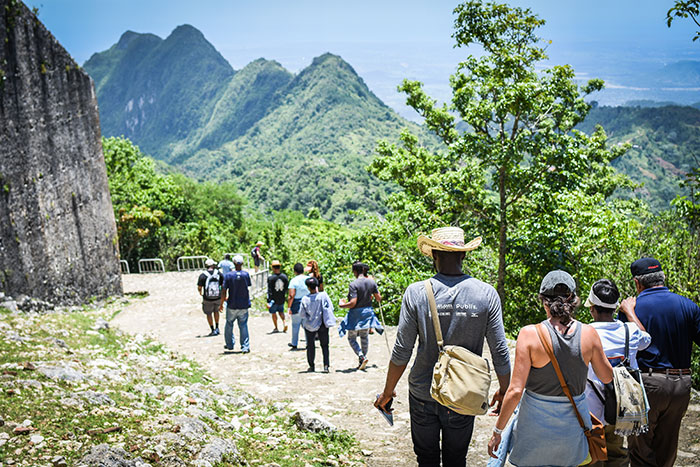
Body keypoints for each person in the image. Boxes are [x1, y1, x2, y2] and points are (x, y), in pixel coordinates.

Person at [375, 227, 511, 467]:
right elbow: (500, 351)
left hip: (423, 392)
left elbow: (401, 351)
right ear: (464, 255)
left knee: (426, 459)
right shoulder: (486, 294)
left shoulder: (415, 293)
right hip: (464, 393)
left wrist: (388, 392)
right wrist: (505, 389)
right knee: (456, 459)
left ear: (434, 255)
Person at [488, 270, 613, 467]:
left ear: (543, 301)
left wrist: (497, 432)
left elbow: (515, 391)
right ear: (572, 299)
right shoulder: (589, 334)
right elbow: (606, 377)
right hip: (572, 435)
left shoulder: (529, 334)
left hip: (534, 435)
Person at [619, 257, 700, 467]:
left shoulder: (632, 308)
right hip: (681, 384)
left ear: (637, 283)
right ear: (663, 278)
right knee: (668, 448)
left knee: (640, 450)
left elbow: (622, 347)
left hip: (648, 384)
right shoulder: (688, 306)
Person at [583, 278, 651, 467]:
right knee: (618, 454)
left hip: (591, 411)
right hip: (622, 408)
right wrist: (630, 313)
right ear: (615, 308)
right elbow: (647, 340)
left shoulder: (583, 332)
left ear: (592, 308)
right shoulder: (630, 331)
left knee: (592, 456)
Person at [339, 261, 383, 370]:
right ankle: (363, 358)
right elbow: (378, 298)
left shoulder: (353, 284)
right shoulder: (371, 282)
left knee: (351, 338)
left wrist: (342, 305)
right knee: (364, 336)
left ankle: (361, 356)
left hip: (355, 314)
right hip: (367, 313)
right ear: (363, 270)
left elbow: (353, 302)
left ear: (354, 271)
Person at [300, 276, 336, 373]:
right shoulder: (323, 296)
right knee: (324, 345)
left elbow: (302, 314)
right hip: (322, 324)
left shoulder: (305, 299)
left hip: (309, 325)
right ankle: (326, 366)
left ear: (308, 287)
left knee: (310, 346)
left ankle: (311, 366)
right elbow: (330, 307)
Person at [219, 255, 251, 353]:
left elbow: (224, 290)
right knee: (243, 325)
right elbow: (248, 287)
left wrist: (221, 303)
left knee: (229, 324)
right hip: (244, 304)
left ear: (233, 263)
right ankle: (245, 346)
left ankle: (229, 344)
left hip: (232, 304)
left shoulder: (228, 275)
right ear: (242, 264)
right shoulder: (246, 275)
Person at [287, 263, 309, 350]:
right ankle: (309, 342)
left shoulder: (293, 281)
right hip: (308, 304)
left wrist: (289, 307)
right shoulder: (308, 279)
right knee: (307, 325)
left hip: (297, 305)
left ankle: (294, 343)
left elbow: (291, 295)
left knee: (295, 325)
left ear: (295, 271)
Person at [196, 258, 221, 336]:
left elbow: (199, 287)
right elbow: (223, 284)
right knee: (216, 311)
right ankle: (217, 327)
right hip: (217, 297)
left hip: (207, 298)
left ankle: (212, 329)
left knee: (209, 313)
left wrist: (200, 293)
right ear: (213, 265)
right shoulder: (218, 273)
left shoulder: (203, 275)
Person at [267, 260, 288, 333]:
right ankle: (284, 322)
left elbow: (269, 290)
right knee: (281, 311)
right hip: (281, 297)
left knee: (273, 313)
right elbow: (286, 288)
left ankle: (276, 327)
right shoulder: (284, 277)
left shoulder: (271, 278)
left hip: (273, 298)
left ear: (273, 268)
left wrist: (268, 300)